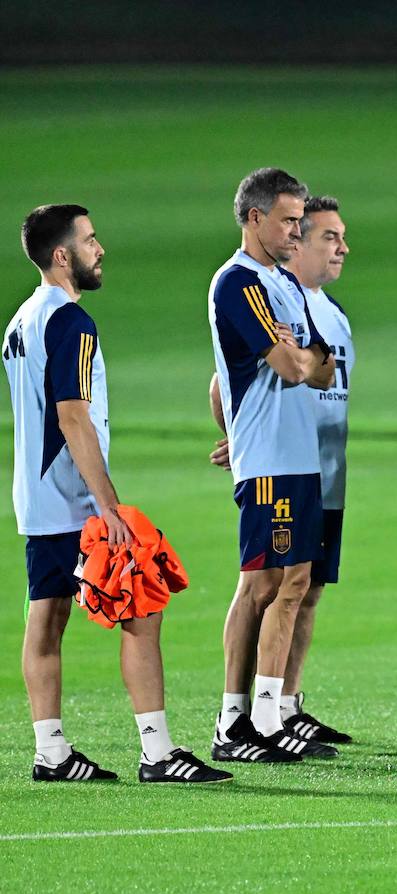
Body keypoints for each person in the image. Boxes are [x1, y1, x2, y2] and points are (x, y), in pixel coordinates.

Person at [4, 205, 230, 783]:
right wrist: (108, 506)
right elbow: (73, 417)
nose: (100, 249)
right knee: (144, 608)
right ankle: (157, 753)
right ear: (63, 256)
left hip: (35, 500)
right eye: (90, 240)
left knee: (46, 619)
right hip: (76, 503)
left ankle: (51, 752)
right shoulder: (70, 322)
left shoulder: (20, 321)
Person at [214, 195, 356, 745]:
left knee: (298, 584)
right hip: (273, 458)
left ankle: (275, 712)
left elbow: (317, 370)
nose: (296, 233)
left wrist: (301, 359)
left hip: (309, 463)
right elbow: (292, 368)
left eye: (303, 224)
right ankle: (238, 718)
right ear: (256, 218)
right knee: (263, 585)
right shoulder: (240, 283)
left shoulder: (293, 293)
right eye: (293, 223)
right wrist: (238, 435)